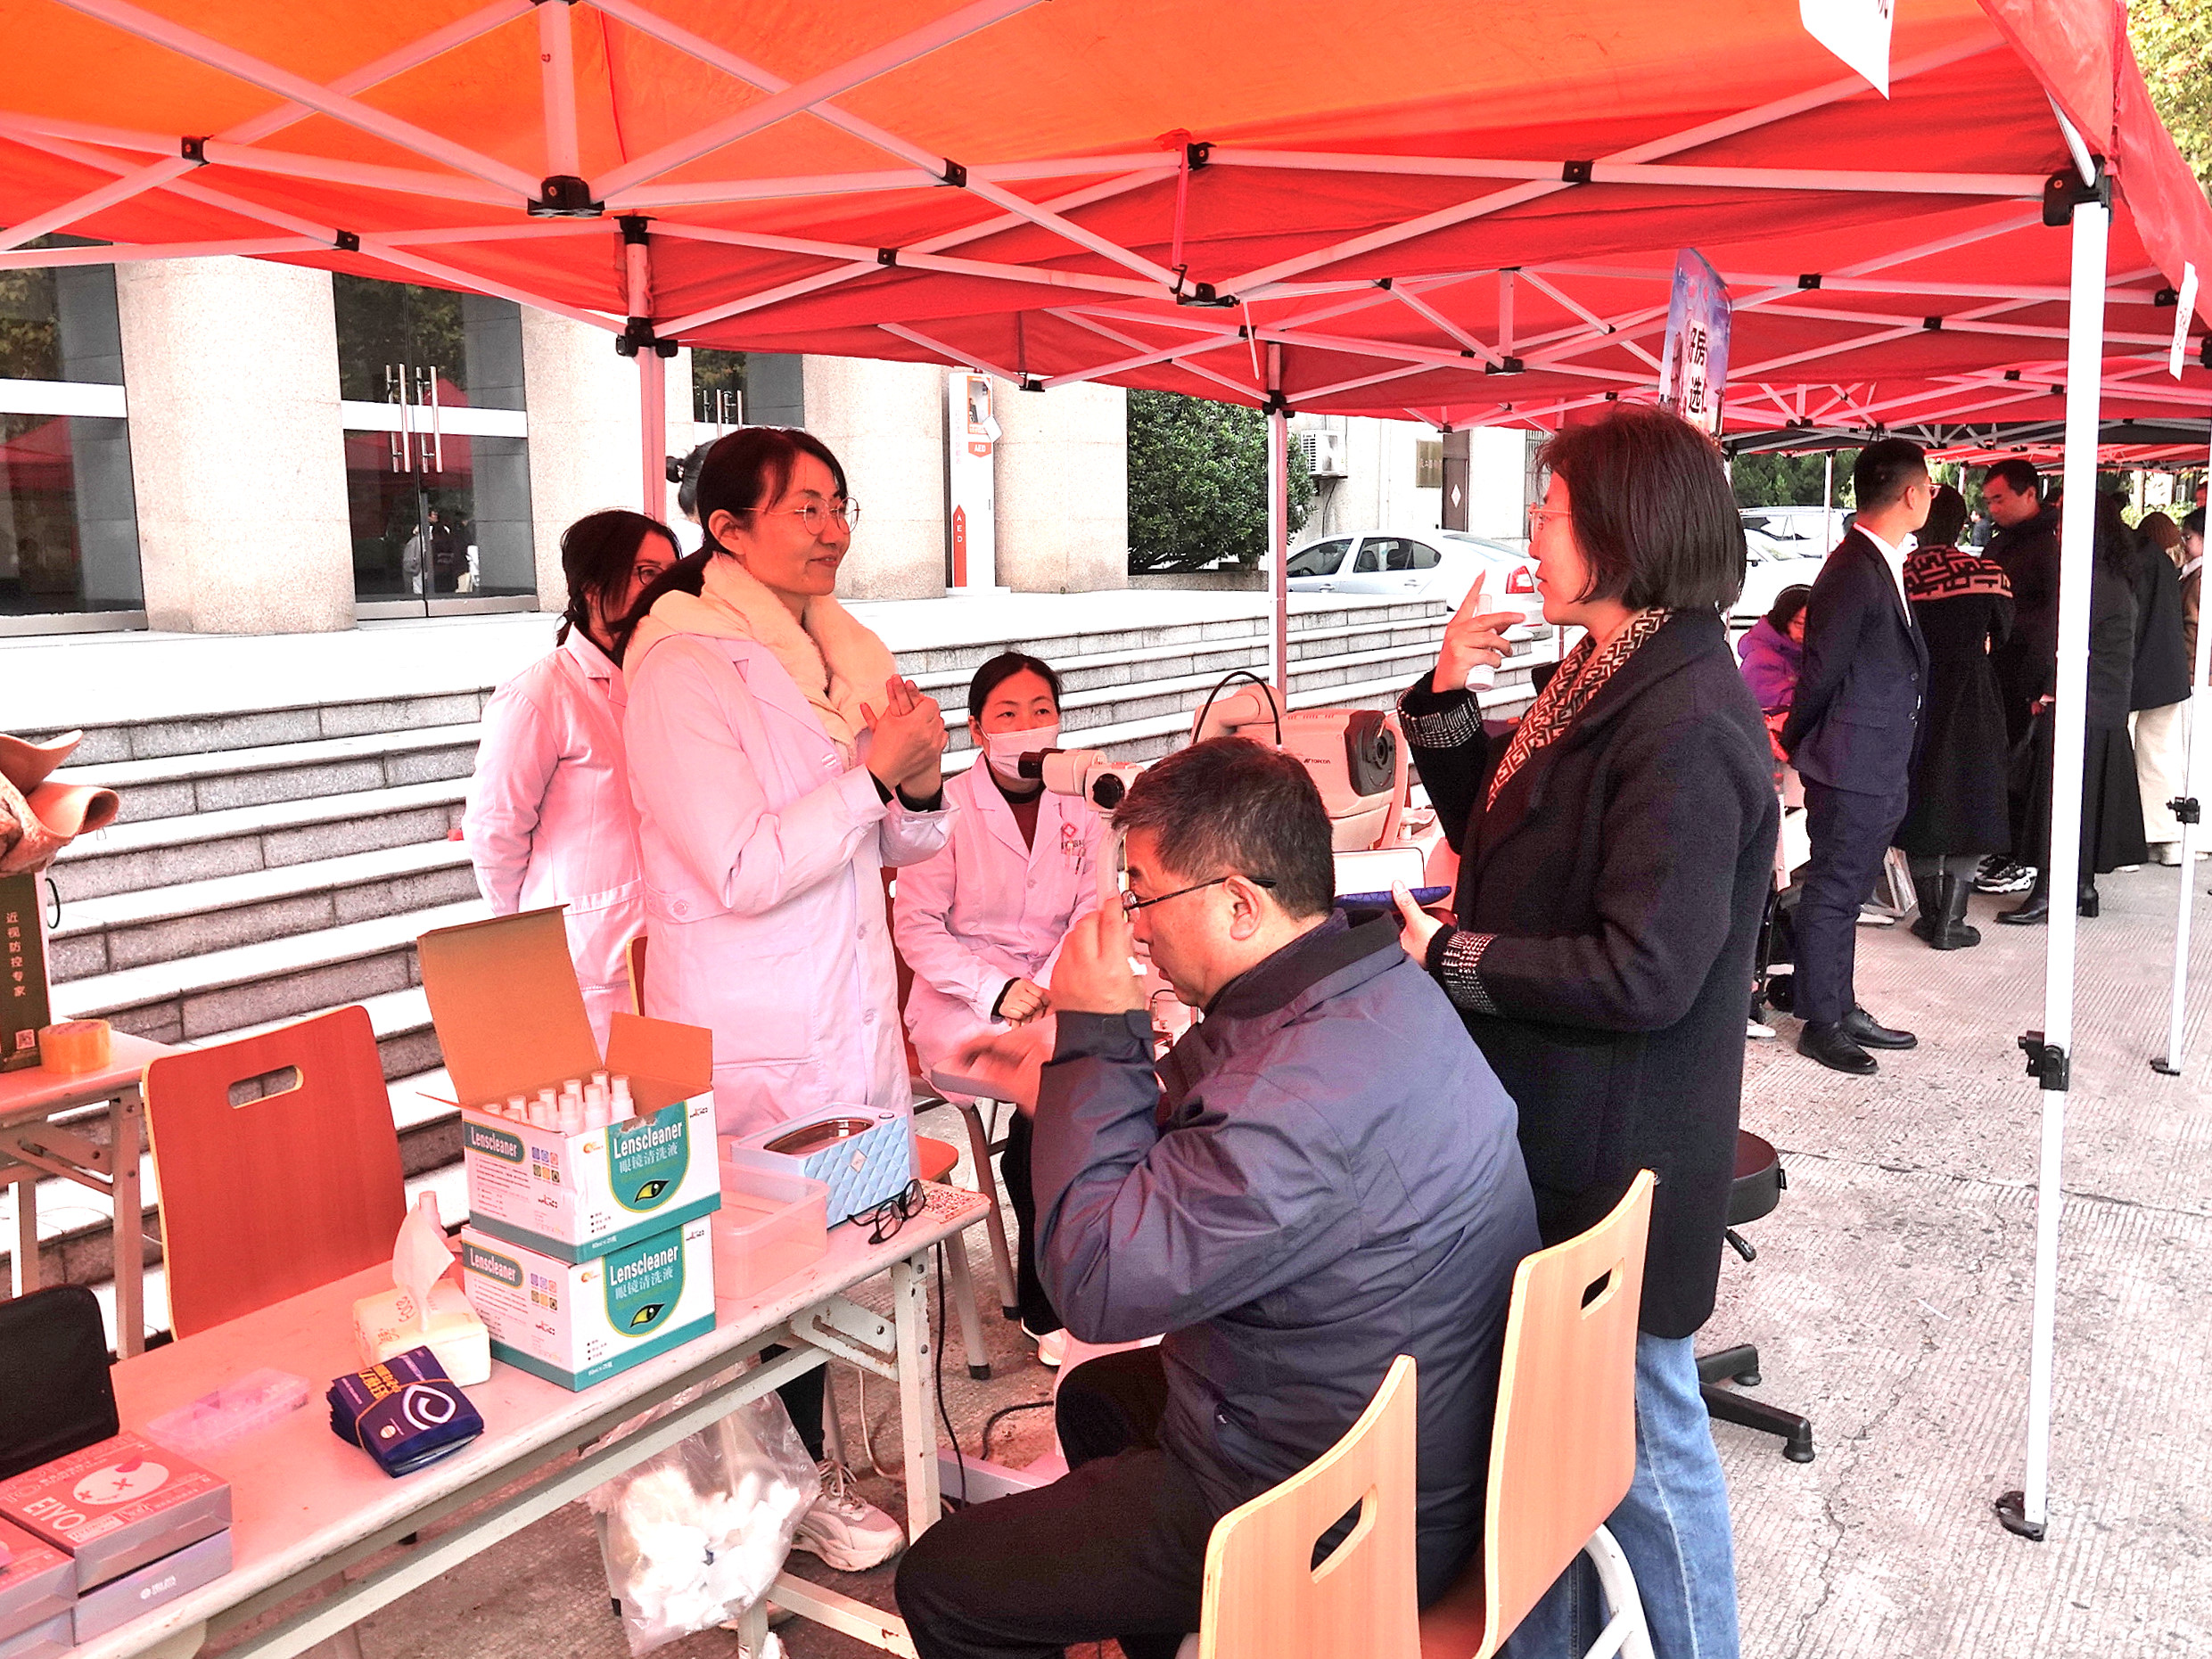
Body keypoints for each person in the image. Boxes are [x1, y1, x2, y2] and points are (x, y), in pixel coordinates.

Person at [894, 739, 1539, 1659]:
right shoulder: (1369, 985)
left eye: (1144, 894)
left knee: (945, 1581)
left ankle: (1231, 1609)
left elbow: (1097, 1282)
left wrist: (1096, 1037)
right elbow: (1198, 1111)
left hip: (1337, 1510)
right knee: (1099, 1399)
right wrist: (1072, 1078)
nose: (1135, 928)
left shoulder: (1293, 1093)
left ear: (1239, 903)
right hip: (1412, 1431)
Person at [1389, 407, 1774, 1659]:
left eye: (1549, 513)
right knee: (1551, 1440)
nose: (1532, 537)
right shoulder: (1605, 672)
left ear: (1622, 528)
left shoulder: (1685, 717)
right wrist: (1449, 691)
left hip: (1622, 1148)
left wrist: (1452, 958)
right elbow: (1502, 833)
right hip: (1557, 1124)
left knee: (1645, 1439)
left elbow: (1645, 971)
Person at [622, 426, 950, 1573]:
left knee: (841, 1261)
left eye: (839, 505)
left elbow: (898, 846)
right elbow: (742, 866)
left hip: (843, 1019)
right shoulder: (680, 668)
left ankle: (807, 1478)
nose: (832, 529)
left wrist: (918, 780)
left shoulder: (834, 652)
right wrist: (872, 773)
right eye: (806, 507)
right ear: (727, 528)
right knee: (762, 1284)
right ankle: (755, 1503)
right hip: (760, 1031)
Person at [892, 652, 1107, 1367]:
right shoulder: (943, 809)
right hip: (960, 1006)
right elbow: (916, 928)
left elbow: (1090, 909)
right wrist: (996, 990)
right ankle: (1047, 1304)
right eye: (1007, 714)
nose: (1027, 726)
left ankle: (1091, 1270)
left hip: (1055, 988)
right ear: (977, 729)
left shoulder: (1084, 802)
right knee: (1053, 1096)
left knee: (1103, 1078)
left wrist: (1040, 986)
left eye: (1041, 710)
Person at [462, 511, 675, 1046]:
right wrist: (531, 938)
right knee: (614, 1095)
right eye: (646, 573)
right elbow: (494, 832)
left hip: (674, 940)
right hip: (588, 954)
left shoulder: (672, 679)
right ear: (591, 586)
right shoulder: (539, 694)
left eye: (671, 573)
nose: (663, 588)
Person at [1780, 439, 1932, 1075]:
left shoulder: (1879, 561)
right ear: (1910, 493)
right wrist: (1798, 742)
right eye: (1928, 486)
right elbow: (1821, 672)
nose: (1930, 496)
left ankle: (1840, 1006)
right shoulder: (1850, 569)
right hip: (1848, 760)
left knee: (1847, 892)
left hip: (1876, 757)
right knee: (1834, 892)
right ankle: (1822, 1021)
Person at [1997, 493, 2148, 922]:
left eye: (2064, 524)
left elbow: (2052, 642)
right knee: (2086, 799)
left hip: (2078, 702)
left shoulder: (2088, 579)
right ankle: (2082, 886)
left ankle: (2050, 890)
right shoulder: (2115, 575)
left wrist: (2039, 690)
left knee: (2056, 799)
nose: (2058, 532)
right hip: (2105, 702)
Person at [1897, 484, 2012, 950]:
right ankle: (1953, 919)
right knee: (1974, 795)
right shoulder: (1987, 573)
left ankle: (1928, 916)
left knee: (1921, 796)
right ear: (1963, 524)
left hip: (1915, 692)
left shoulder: (1900, 574)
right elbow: (2005, 634)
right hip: (1973, 694)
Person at [1975, 460, 2062, 895]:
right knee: (2001, 761)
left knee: (2024, 766)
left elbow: (2055, 618)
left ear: (2030, 494)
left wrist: (2044, 685)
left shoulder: (2052, 545)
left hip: (2032, 672)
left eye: (2000, 499)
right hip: (1999, 667)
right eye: (1988, 500)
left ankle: (2023, 859)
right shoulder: (2000, 542)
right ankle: (2002, 847)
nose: (1993, 508)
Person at [2124, 507, 2192, 864]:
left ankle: (2127, 844)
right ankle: (2168, 839)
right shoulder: (2166, 565)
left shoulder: (2129, 562)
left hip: (2134, 670)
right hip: (2168, 672)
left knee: (2122, 756)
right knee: (2161, 756)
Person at [1736, 583, 1810, 717]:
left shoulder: (1799, 652)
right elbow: (1780, 703)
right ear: (1783, 619)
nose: (1807, 631)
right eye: (1799, 623)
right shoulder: (1762, 660)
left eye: (1813, 624)